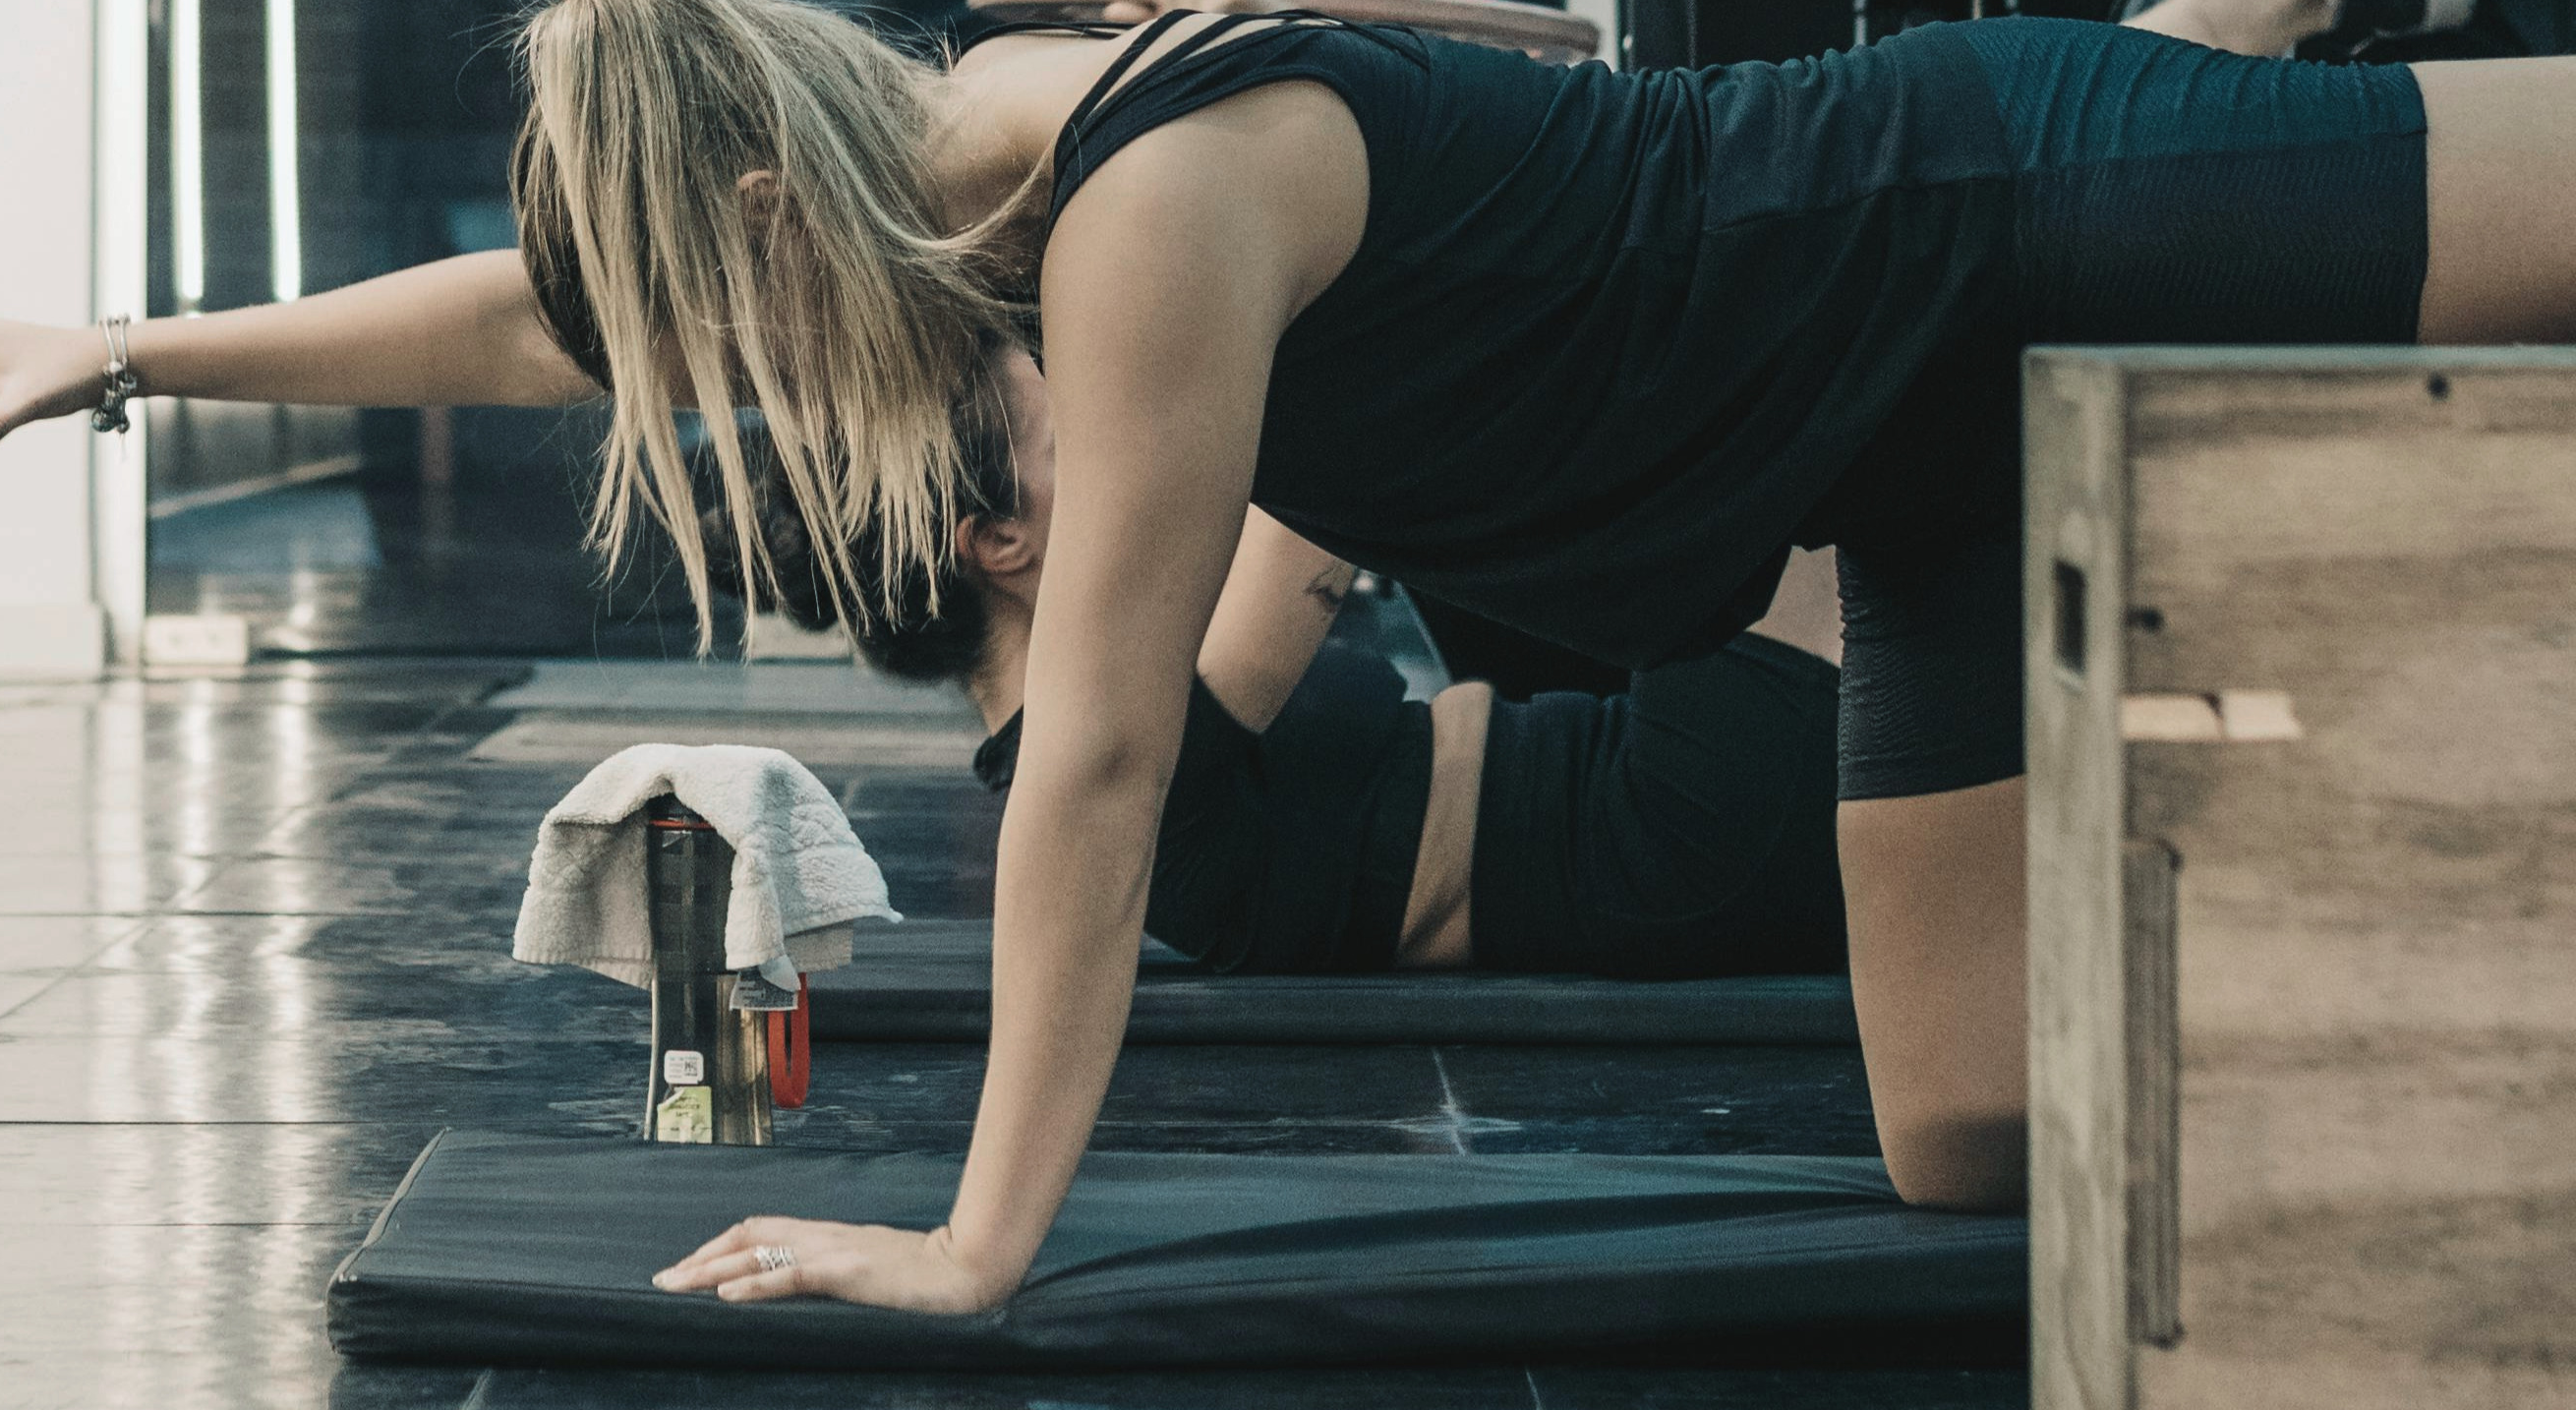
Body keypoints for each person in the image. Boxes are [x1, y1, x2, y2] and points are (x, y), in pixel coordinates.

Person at [0, 0, 2576, 1310]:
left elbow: (1105, 758)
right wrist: (139, 344)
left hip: (1987, 202)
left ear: (768, 210)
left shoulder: (1140, 205)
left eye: (702, 316)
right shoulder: (999, 119)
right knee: (1968, 1136)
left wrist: (976, 1236)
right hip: (1915, 450)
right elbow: (531, 310)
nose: (702, 386)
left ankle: (2485, 30)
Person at [701, 346, 1849, 982]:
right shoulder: (1113, 745)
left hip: (1632, 789)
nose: (1120, 426)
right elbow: (1318, 460)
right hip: (1669, 831)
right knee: (1828, 400)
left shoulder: (1091, 712)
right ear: (1000, 542)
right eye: (1075, 433)